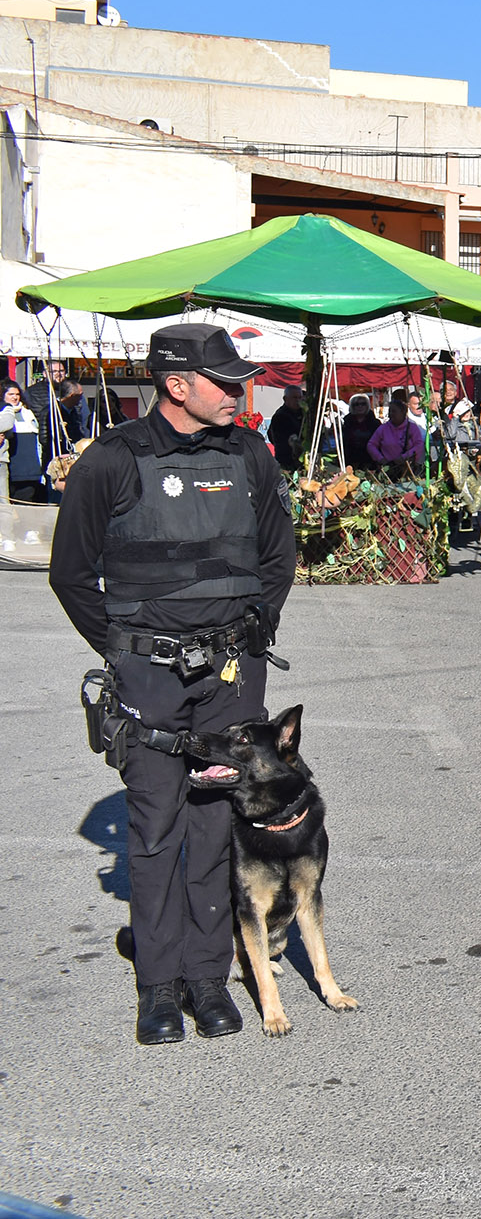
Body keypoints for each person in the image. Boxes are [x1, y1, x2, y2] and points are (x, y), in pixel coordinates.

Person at [48, 321, 296, 1045]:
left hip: (229, 677)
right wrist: (128, 651)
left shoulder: (250, 454)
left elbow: (277, 560)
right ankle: (157, 987)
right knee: (155, 830)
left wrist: (252, 635)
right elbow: (71, 573)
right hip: (149, 679)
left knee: (215, 823)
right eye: (224, 382)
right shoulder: (113, 461)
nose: (239, 392)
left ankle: (207, 978)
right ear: (175, 386)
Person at [3, 381, 48, 502]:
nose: (15, 397)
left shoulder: (28, 413)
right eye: (11, 394)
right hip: (12, 468)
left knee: (26, 501)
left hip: (30, 469)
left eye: (17, 394)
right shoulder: (3, 413)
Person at [367, 397, 425, 469]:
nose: (391, 414)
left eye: (394, 411)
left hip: (408, 468)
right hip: (388, 468)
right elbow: (371, 445)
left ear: (403, 412)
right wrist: (380, 459)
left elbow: (419, 445)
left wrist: (404, 457)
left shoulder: (412, 428)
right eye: (390, 411)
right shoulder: (383, 428)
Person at [265, 386, 305, 473]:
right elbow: (273, 437)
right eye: (294, 398)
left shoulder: (303, 413)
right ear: (285, 399)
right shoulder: (280, 416)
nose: (298, 400)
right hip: (287, 461)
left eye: (300, 397)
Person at [341, 394, 382, 471]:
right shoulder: (346, 423)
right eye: (356, 404)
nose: (360, 406)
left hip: (371, 462)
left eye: (363, 404)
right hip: (351, 462)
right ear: (352, 406)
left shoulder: (375, 423)